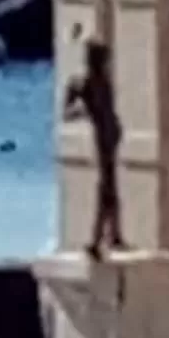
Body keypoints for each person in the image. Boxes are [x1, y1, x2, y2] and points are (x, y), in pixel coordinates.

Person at [64, 38, 127, 255]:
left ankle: (112, 235)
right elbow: (68, 112)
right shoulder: (85, 83)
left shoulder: (102, 80)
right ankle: (98, 238)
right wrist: (85, 111)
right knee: (106, 188)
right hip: (102, 137)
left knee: (111, 186)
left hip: (110, 134)